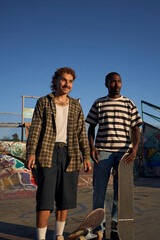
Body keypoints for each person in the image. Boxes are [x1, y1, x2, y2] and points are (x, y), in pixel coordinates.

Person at [26, 67, 91, 240]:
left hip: (70, 154)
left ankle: (59, 235)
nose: (67, 84)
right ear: (55, 81)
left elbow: (80, 133)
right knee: (45, 200)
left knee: (65, 199)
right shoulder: (43, 102)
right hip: (47, 153)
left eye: (70, 81)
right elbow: (35, 130)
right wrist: (31, 153)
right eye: (63, 80)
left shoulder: (76, 105)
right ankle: (41, 237)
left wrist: (86, 156)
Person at [85, 72, 142, 240]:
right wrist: (92, 147)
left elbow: (136, 128)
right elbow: (91, 127)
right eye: (112, 82)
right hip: (102, 152)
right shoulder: (99, 103)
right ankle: (98, 229)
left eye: (119, 82)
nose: (116, 84)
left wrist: (135, 148)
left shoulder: (129, 103)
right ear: (106, 84)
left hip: (124, 154)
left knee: (121, 193)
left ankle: (116, 228)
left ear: (121, 84)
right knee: (99, 192)